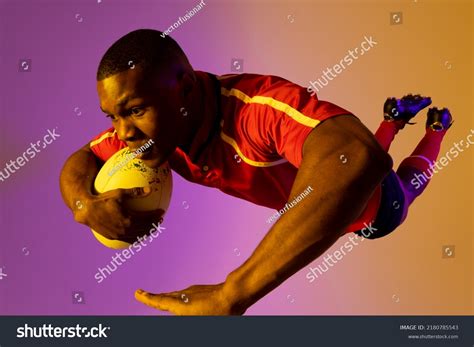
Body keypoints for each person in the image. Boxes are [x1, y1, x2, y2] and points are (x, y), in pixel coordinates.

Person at [59, 29, 452, 315]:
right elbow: (81, 159)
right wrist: (83, 203)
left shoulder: (256, 109)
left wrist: (233, 292)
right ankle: (393, 122)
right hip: (338, 183)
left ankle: (438, 129)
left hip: (372, 210)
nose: (122, 132)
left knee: (402, 189)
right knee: (366, 161)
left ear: (186, 91)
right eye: (113, 116)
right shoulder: (150, 137)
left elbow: (356, 157)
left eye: (134, 110)